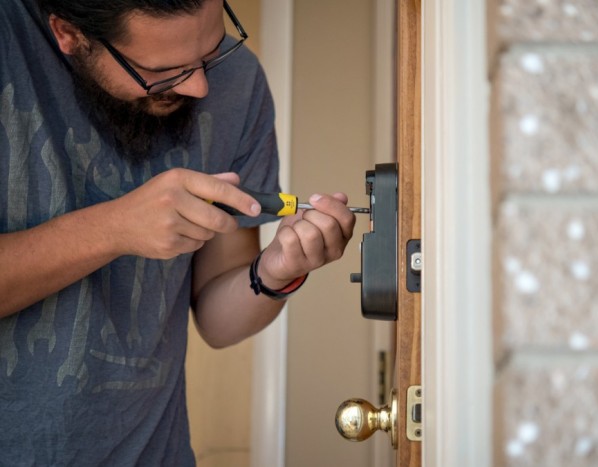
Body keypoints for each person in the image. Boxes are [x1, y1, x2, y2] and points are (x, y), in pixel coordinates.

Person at [0, 0, 356, 464]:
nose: (200, 86)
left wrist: (275, 271)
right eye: (165, 72)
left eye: (211, 52)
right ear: (69, 35)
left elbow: (216, 318)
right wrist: (115, 227)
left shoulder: (239, 82)